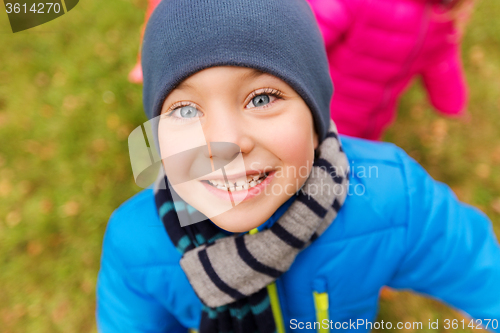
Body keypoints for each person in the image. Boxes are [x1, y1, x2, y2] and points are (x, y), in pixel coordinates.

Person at [97, 0, 500, 332]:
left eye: (261, 99)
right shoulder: (135, 243)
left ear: (315, 117)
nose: (226, 143)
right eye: (185, 109)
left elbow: (478, 270)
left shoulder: (393, 198)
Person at [307, 0, 473, 140]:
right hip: (318, 115)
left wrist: (452, 102)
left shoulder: (439, 15)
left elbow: (442, 60)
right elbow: (307, 33)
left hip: (370, 124)